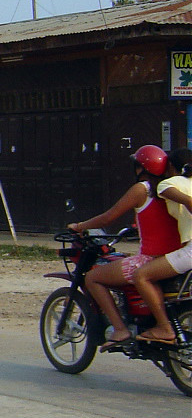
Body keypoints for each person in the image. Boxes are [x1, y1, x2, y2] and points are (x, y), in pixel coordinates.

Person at [67, 145, 182, 348]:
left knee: (93, 277)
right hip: (174, 257)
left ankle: (120, 329)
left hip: (150, 259)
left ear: (141, 168)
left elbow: (109, 217)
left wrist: (80, 226)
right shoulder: (171, 187)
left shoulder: (142, 189)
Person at [130, 149, 192, 344]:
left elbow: (167, 191)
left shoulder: (169, 182)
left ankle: (164, 328)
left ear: (171, 167)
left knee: (141, 275)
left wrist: (189, 202)